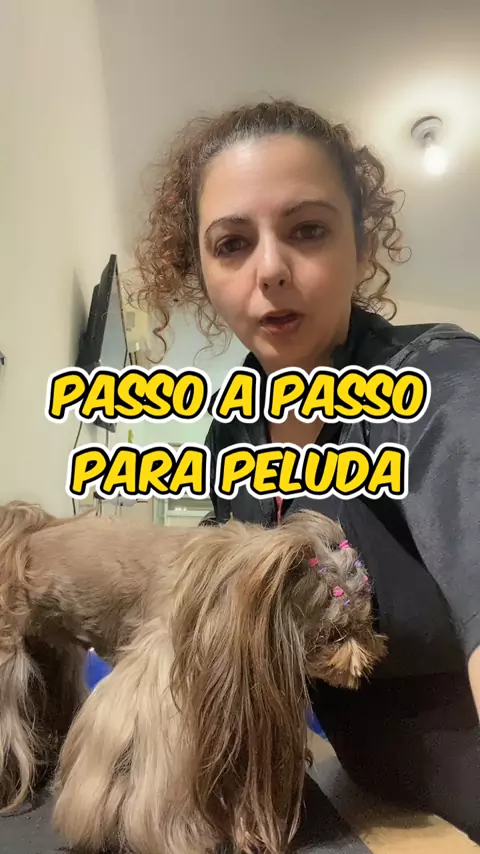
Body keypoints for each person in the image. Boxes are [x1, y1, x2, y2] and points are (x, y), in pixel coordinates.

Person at [134, 100, 480, 844]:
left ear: (361, 245)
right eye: (232, 244)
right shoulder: (233, 425)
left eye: (308, 230)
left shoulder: (438, 379)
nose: (270, 270)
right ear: (200, 270)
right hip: (345, 784)